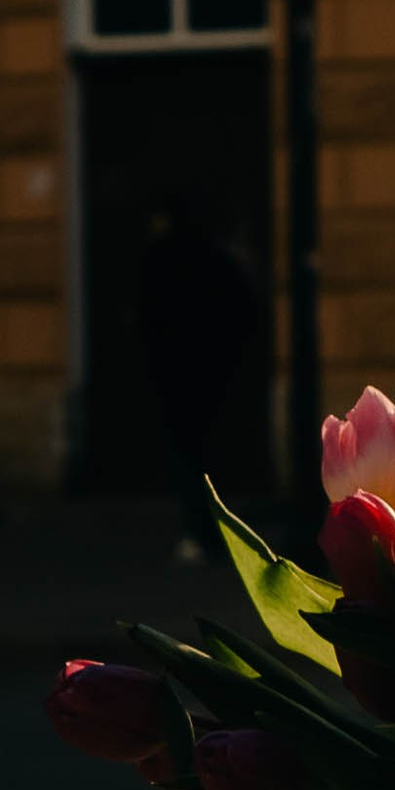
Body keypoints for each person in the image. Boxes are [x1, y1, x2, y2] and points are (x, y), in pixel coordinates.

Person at [135, 193, 262, 562]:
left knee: (188, 456)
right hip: (207, 374)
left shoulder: (163, 261)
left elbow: (148, 316)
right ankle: (213, 531)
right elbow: (241, 308)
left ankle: (200, 529)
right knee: (207, 455)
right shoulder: (212, 261)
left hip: (180, 374)